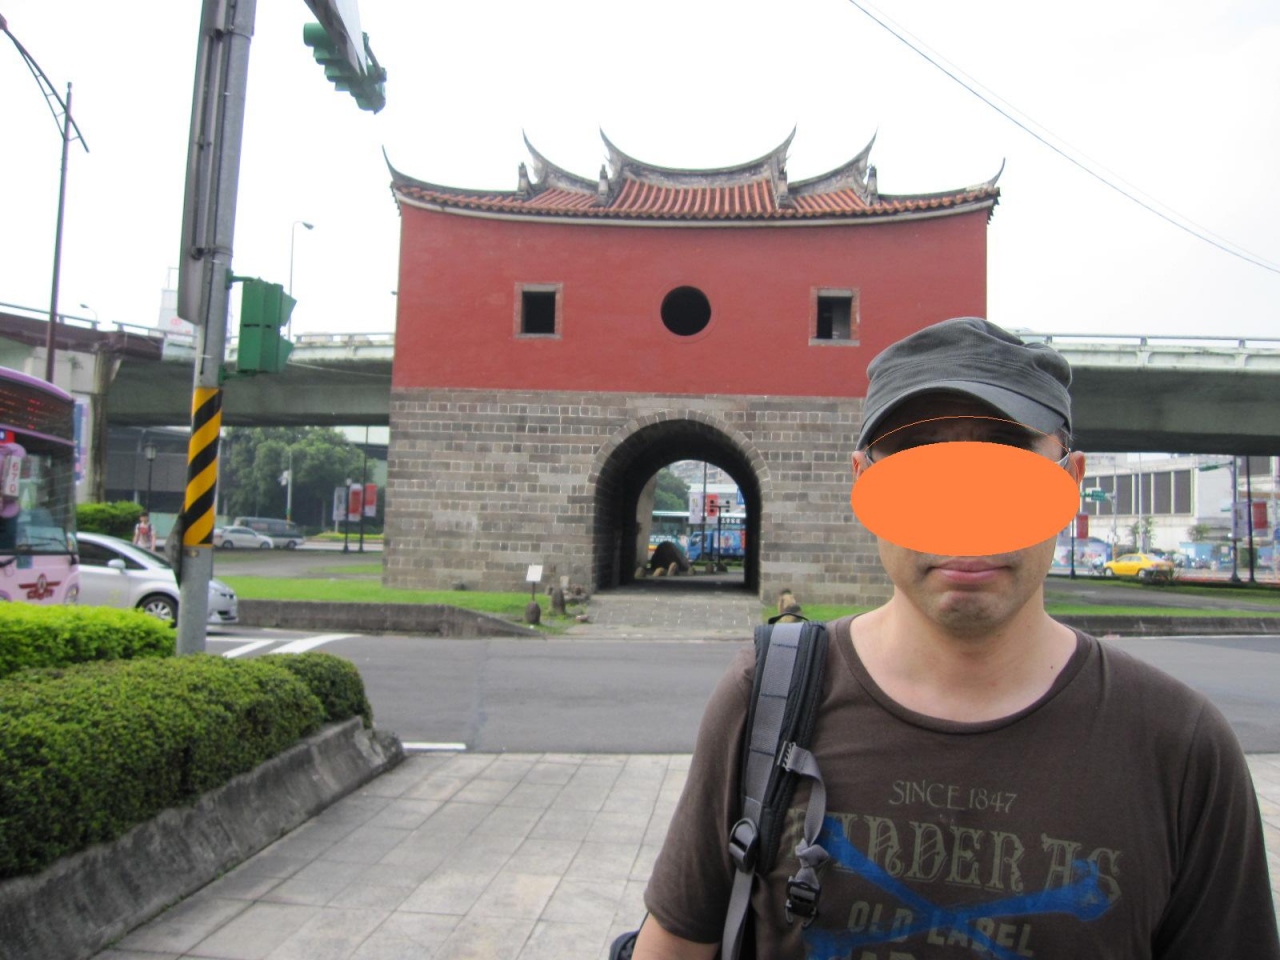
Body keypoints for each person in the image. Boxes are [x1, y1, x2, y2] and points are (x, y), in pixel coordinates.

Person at [636, 317, 1280, 959]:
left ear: (1070, 480)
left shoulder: (1180, 747)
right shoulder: (766, 698)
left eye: (1007, 461)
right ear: (863, 480)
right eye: (918, 464)